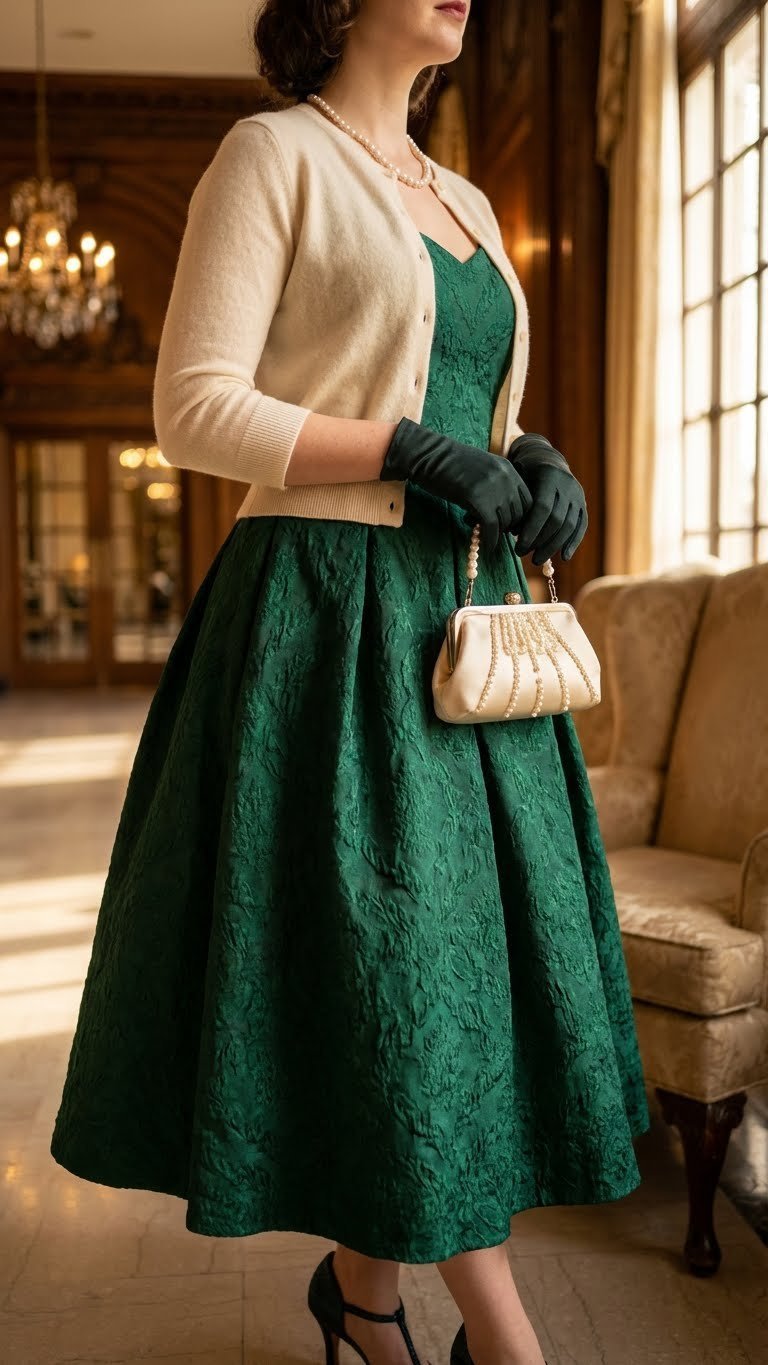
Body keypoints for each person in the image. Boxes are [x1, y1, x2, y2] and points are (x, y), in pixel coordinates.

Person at [49, 3, 650, 1363]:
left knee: (450, 983)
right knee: (403, 970)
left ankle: (364, 1299)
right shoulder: (272, 158)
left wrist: (530, 457)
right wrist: (409, 453)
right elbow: (193, 407)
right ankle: (512, 1347)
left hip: (469, 634)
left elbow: (470, 391)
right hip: (327, 626)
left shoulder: (469, 200)